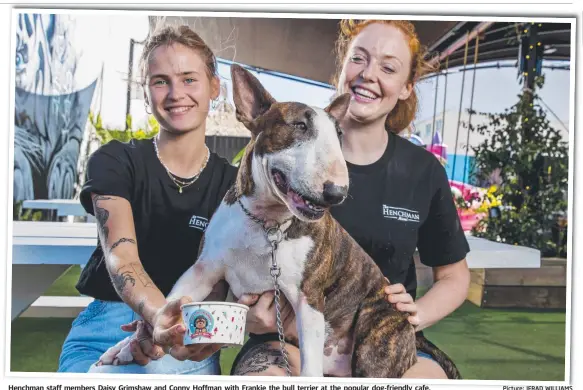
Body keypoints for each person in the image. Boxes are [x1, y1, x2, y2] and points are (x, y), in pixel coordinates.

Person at [229, 19, 471, 379]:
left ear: (405, 87)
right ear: (342, 67)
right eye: (359, 58)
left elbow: (454, 276)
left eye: (388, 67)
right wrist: (242, 315)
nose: (368, 75)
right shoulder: (285, 149)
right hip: (284, 337)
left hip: (381, 337)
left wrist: (415, 314)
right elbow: (228, 246)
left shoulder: (422, 170)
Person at [57, 23, 238, 374]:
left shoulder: (233, 185)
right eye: (160, 81)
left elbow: (224, 282)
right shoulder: (115, 160)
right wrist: (157, 316)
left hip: (185, 332)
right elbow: (121, 257)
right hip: (102, 327)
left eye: (189, 79)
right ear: (147, 92)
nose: (175, 93)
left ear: (215, 87)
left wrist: (170, 331)